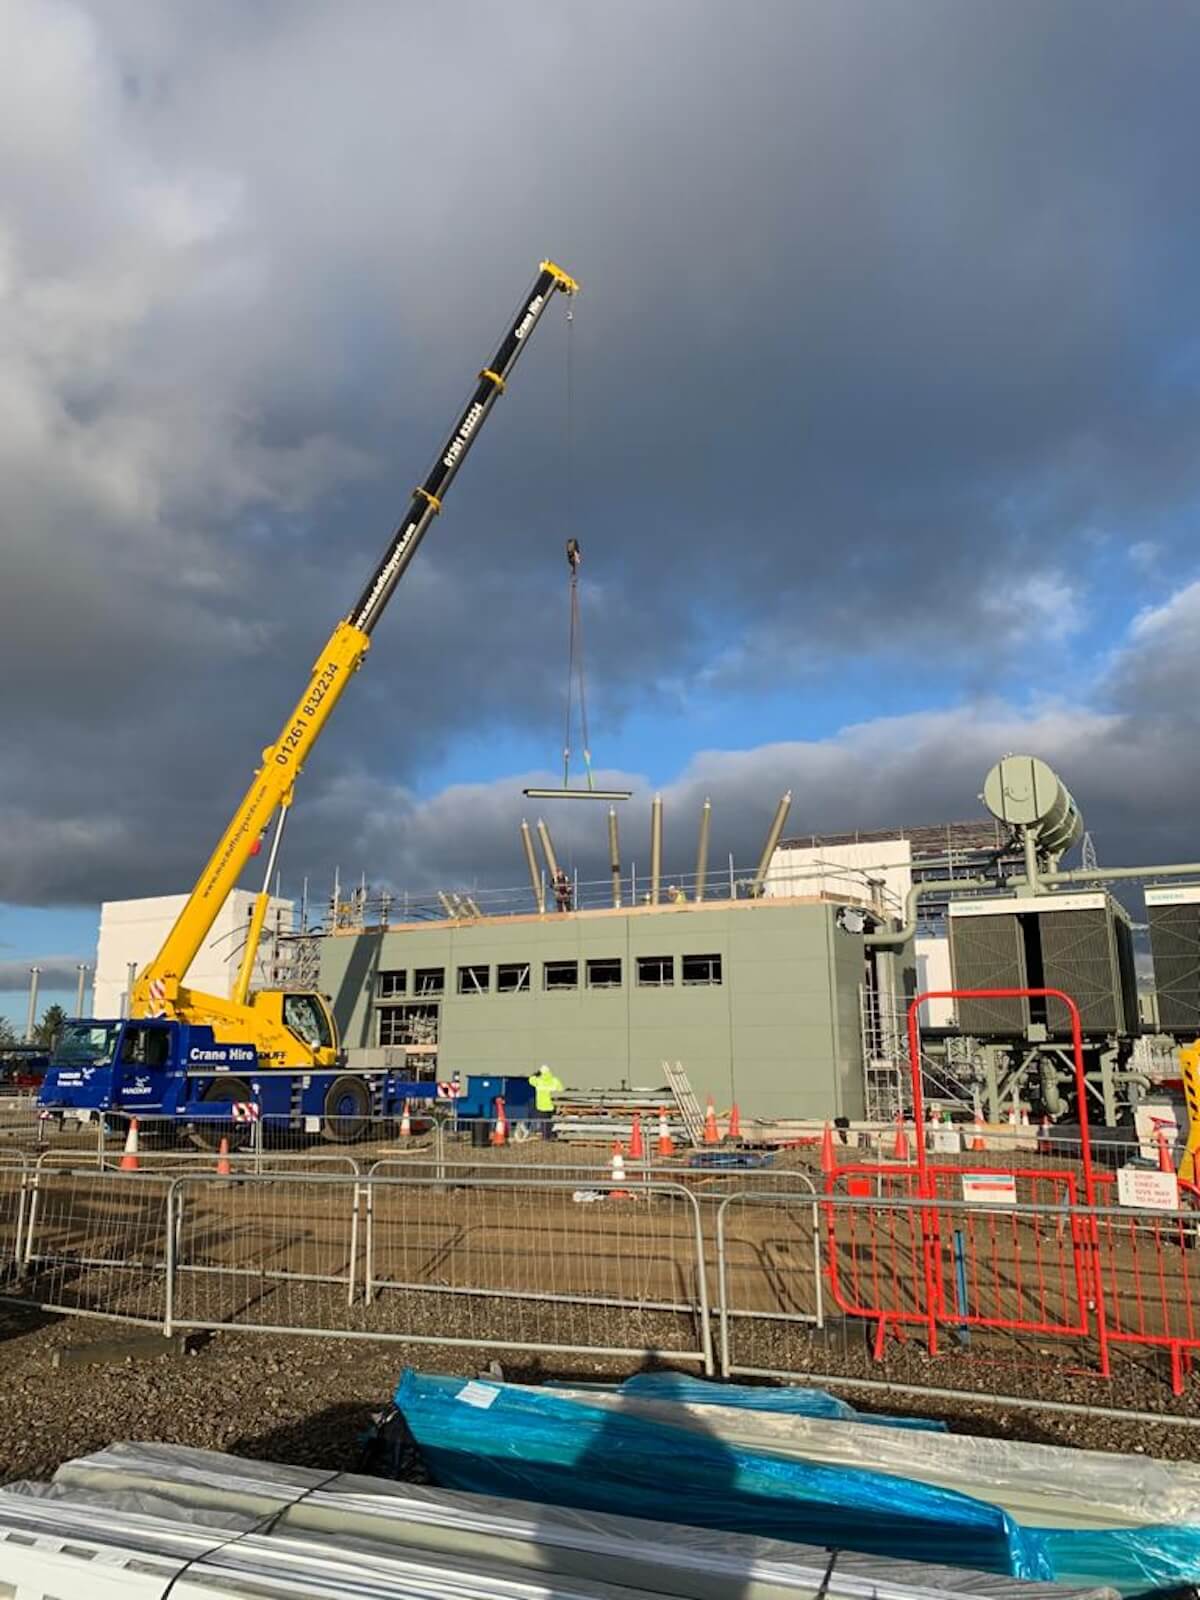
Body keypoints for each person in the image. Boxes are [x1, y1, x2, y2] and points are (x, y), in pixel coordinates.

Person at [529, 1063, 563, 1138]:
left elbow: (530, 1080)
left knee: (544, 1124)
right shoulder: (555, 1080)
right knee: (551, 1123)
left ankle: (545, 1137)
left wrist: (536, 1073)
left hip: (541, 1106)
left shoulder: (538, 1080)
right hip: (552, 1106)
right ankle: (551, 1136)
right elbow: (561, 1091)